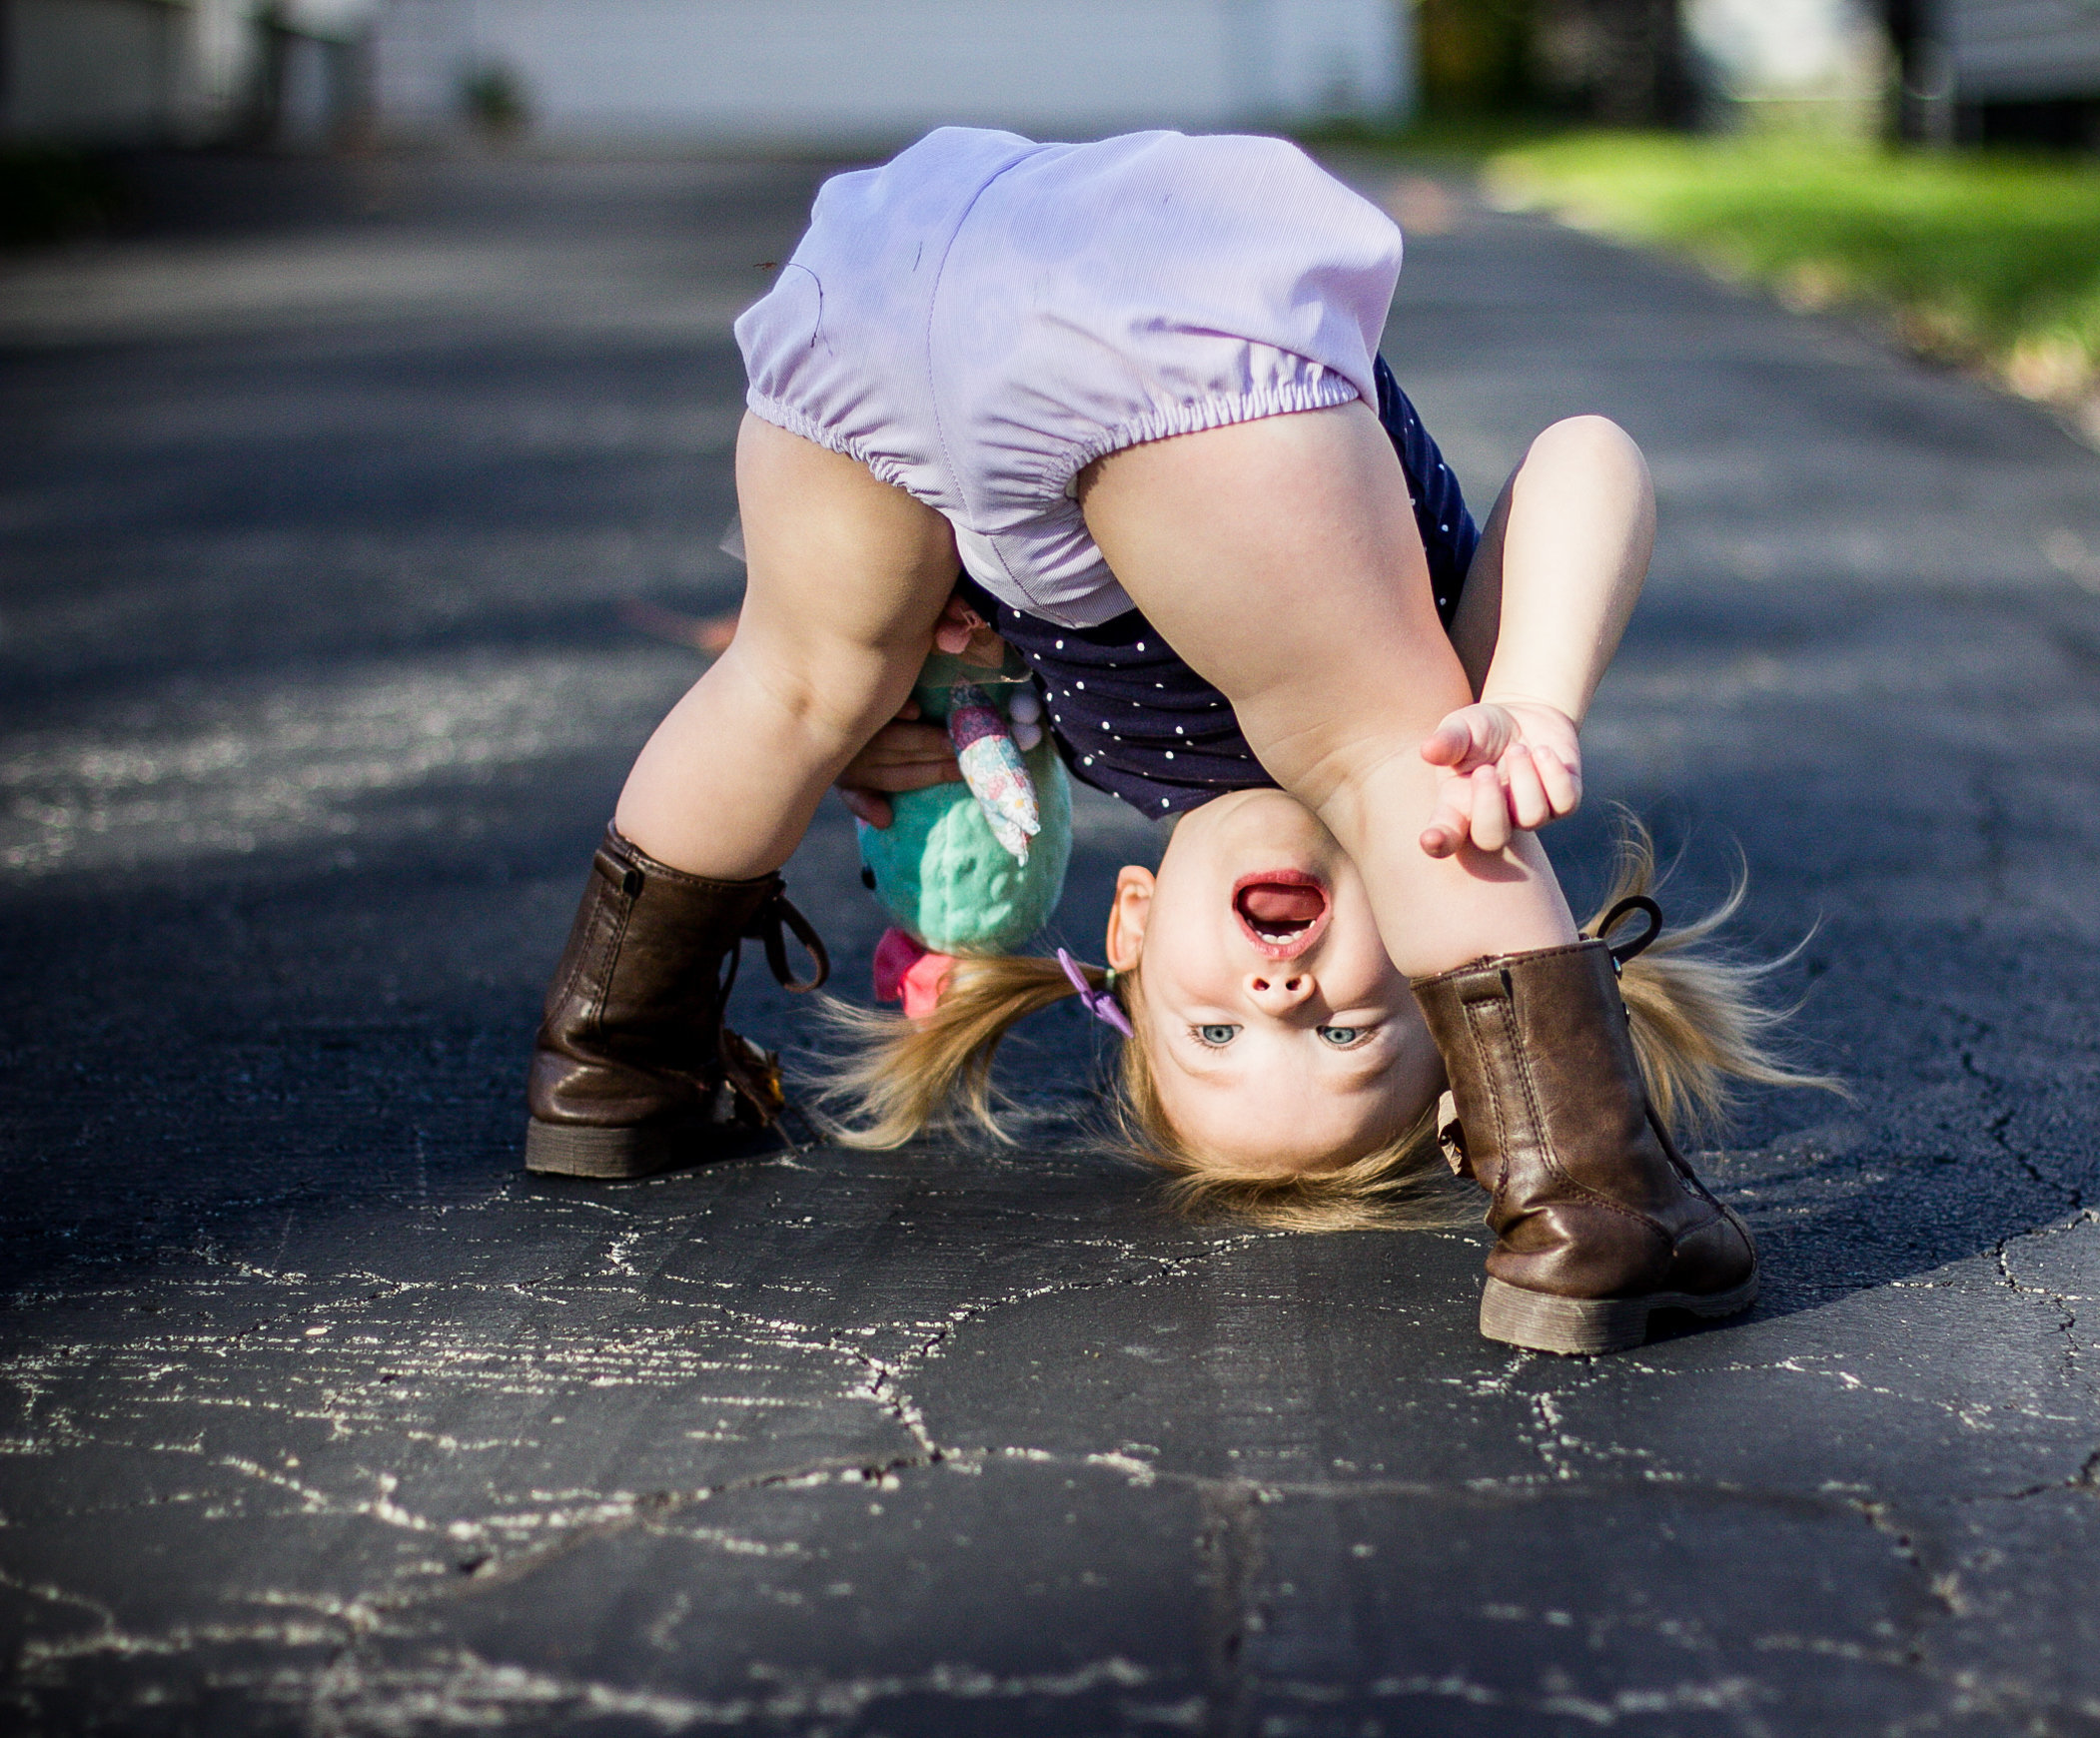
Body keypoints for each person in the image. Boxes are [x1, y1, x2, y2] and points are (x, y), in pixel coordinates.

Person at [523, 127, 1824, 1354]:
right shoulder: (1447, 734)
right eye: (1343, 1038)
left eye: (1209, 1038)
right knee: (1381, 753)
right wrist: (1537, 693)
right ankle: (1593, 1201)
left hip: (888, 291)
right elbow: (1586, 458)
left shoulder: (1098, 757)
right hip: (1145, 305)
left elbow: (860, 678)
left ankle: (618, 1064)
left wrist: (870, 714)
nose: (1278, 1000)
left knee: (792, 691)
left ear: (1130, 933)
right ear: (1451, 1003)